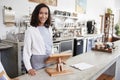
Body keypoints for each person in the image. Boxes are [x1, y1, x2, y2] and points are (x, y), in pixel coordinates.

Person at [23, 3, 53, 76]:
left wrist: (56, 60)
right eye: (41, 13)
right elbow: (26, 52)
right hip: (36, 65)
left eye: (46, 13)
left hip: (49, 62)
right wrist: (29, 68)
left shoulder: (49, 29)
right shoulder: (30, 30)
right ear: (36, 14)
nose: (44, 16)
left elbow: (50, 47)